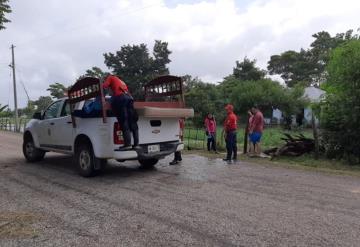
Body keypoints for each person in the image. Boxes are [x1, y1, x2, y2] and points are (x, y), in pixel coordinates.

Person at [102, 74, 139, 150]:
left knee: (123, 121)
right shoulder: (121, 81)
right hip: (129, 99)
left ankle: (127, 144)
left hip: (121, 98)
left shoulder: (110, 77)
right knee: (132, 122)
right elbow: (127, 92)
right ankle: (136, 145)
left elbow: (104, 86)